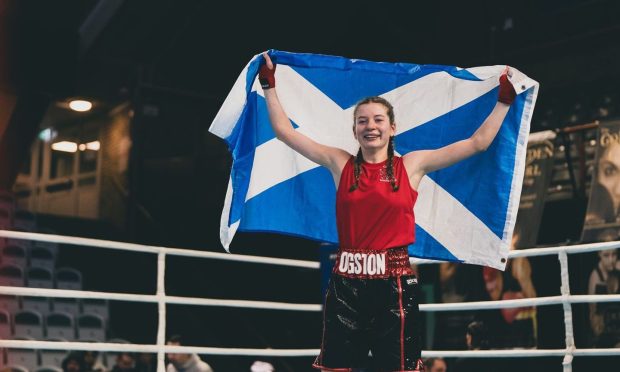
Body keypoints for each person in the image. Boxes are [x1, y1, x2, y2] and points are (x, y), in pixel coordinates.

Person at [258, 52, 517, 371]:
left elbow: (478, 143)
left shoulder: (413, 165)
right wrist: (269, 85)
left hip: (393, 283)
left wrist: (504, 100)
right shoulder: (339, 163)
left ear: (392, 128)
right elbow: (286, 132)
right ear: (354, 130)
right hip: (347, 282)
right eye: (363, 120)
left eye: (378, 120)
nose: (371, 126)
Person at [588, 248, 620, 347]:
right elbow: (594, 316)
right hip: (605, 334)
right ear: (599, 255)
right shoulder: (596, 277)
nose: (611, 260)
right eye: (606, 255)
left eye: (614, 254)